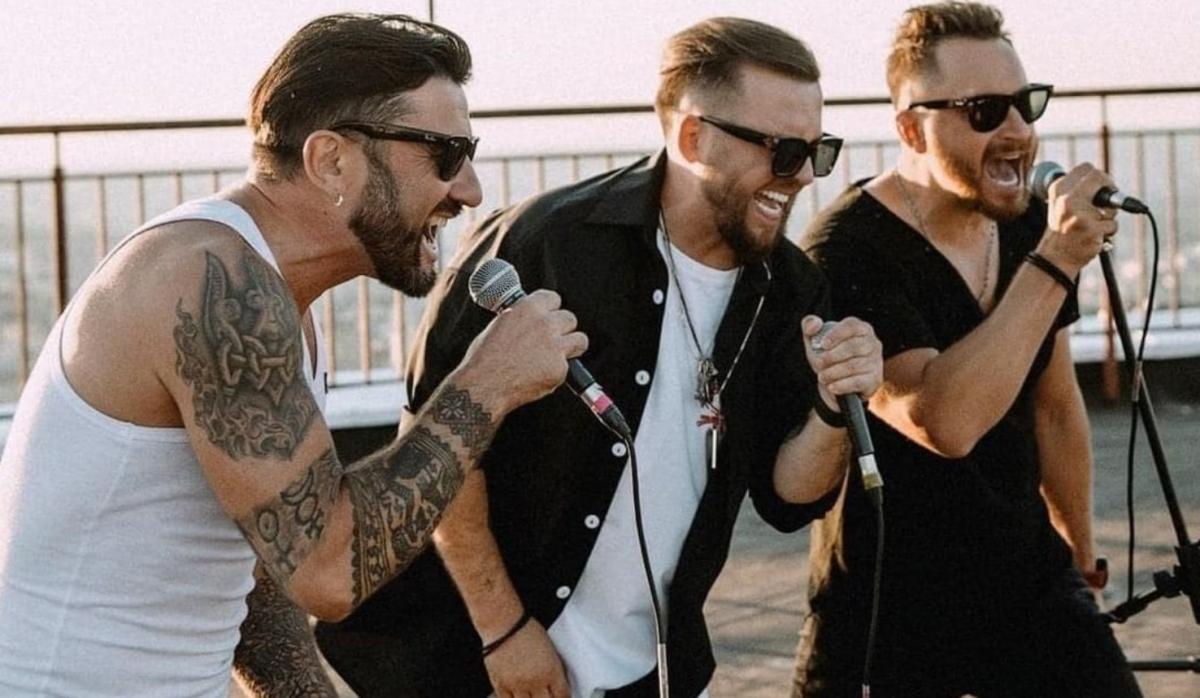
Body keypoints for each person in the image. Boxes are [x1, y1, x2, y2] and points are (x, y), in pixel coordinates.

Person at [295, 16, 885, 698]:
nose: (803, 175)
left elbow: (787, 497)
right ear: (694, 138)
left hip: (653, 670)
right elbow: (440, 448)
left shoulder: (790, 288)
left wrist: (831, 405)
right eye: (783, 152)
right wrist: (504, 631)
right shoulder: (546, 243)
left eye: (819, 152)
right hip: (478, 662)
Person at [0, 14, 586, 697]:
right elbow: (328, 571)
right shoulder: (210, 281)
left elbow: (264, 562)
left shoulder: (272, 295)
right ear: (331, 160)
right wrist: (488, 382)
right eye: (446, 155)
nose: (470, 190)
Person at [791, 3, 1142, 697]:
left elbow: (1054, 404)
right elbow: (943, 421)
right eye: (984, 111)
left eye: (1024, 104)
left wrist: (1081, 549)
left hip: (1026, 577)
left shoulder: (1028, 227)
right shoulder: (846, 251)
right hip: (891, 604)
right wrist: (1055, 261)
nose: (1017, 131)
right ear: (910, 128)